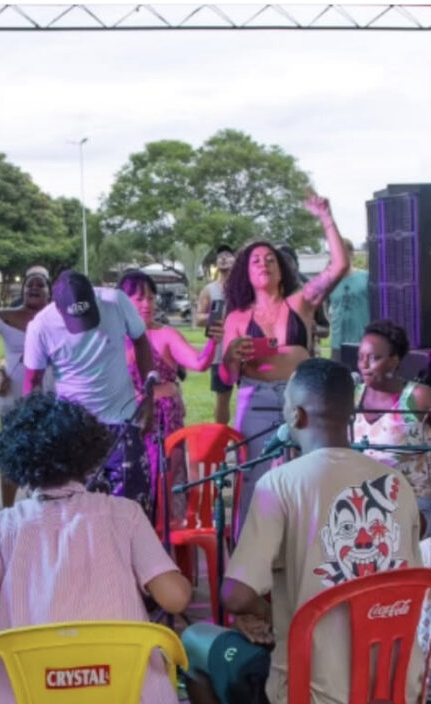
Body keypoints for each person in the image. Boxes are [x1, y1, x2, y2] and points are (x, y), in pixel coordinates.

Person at [185, 358, 424, 704]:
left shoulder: (280, 484)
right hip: (395, 688)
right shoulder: (397, 484)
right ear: (351, 414)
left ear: (295, 415)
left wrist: (268, 618)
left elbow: (235, 595)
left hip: (309, 693)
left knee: (194, 639)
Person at [0, 393, 192, 704]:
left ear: (15, 460)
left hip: (26, 692)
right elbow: (175, 598)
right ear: (88, 455)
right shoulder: (124, 513)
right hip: (124, 689)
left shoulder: (1, 527)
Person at [219, 193, 349, 531]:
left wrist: (326, 216)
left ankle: (307, 546)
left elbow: (339, 266)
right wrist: (232, 355)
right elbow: (225, 374)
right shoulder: (236, 316)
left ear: (281, 271)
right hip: (255, 398)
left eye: (270, 260)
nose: (263, 264)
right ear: (246, 274)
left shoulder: (301, 301)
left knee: (307, 472)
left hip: (302, 397)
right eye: (255, 261)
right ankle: (250, 557)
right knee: (255, 477)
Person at [24, 269, 155, 513]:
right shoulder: (40, 326)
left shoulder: (115, 301)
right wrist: (35, 435)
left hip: (122, 422)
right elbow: (32, 382)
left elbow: (141, 341)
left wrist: (149, 399)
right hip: (74, 430)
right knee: (78, 515)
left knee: (134, 510)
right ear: (58, 307)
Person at [119, 271, 222, 524]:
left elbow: (198, 364)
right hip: (126, 423)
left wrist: (212, 343)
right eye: (139, 298)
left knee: (163, 485)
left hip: (164, 423)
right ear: (122, 301)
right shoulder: (113, 337)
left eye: (152, 298)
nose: (147, 305)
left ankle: (165, 546)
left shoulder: (165, 334)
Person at [0, 267, 52, 507]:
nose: (34, 288)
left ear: (49, 292)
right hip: (13, 397)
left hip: (48, 396)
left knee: (46, 453)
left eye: (40, 285)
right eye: (30, 285)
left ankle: (42, 506)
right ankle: (8, 510)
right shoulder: (7, 316)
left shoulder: (57, 318)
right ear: (23, 291)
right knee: (12, 455)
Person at [352, 320, 431, 535]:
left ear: (394, 361)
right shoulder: (352, 396)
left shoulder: (418, 397)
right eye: (360, 357)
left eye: (374, 358)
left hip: (414, 505)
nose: (364, 365)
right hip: (362, 505)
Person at [196, 244, 235, 425]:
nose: (223, 258)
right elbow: (198, 318)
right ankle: (221, 440)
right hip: (219, 352)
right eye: (220, 256)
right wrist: (216, 316)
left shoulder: (245, 288)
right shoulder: (209, 290)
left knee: (249, 396)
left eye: (228, 255)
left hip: (244, 350)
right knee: (222, 399)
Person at [276, 242, 331, 357]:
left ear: (295, 265)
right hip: (276, 361)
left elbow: (325, 330)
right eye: (280, 263)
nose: (284, 268)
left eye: (287, 263)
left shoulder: (311, 292)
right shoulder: (268, 294)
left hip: (304, 360)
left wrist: (312, 327)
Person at [328, 239, 370, 361]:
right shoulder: (330, 282)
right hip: (337, 343)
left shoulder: (366, 278)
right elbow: (325, 307)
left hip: (362, 342)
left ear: (352, 253)